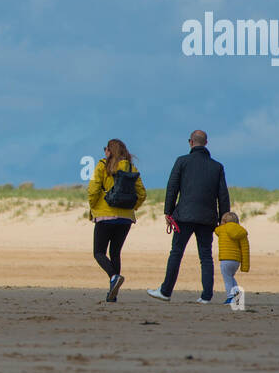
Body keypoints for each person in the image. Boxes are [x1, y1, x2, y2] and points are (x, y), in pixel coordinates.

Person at [147, 129, 230, 303]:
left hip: (183, 216)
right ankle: (206, 296)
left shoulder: (182, 161)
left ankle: (166, 291)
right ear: (206, 143)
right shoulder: (217, 166)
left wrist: (168, 212)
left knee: (176, 253)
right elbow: (223, 195)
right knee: (206, 256)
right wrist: (224, 218)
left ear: (190, 142)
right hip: (207, 219)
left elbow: (172, 188)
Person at [86, 139, 146, 302]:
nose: (104, 151)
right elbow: (142, 194)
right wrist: (132, 208)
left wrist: (94, 207)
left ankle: (113, 277)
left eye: (106, 148)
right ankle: (113, 295)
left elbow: (93, 190)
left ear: (110, 151)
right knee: (115, 253)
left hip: (105, 216)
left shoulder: (102, 166)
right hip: (125, 219)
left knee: (99, 252)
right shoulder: (131, 167)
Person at [215, 212, 250, 304]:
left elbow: (216, 231)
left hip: (225, 259)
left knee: (227, 279)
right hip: (236, 261)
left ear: (224, 221)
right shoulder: (241, 232)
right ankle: (237, 295)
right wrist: (245, 266)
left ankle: (231, 297)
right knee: (230, 277)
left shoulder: (222, 229)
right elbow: (245, 249)